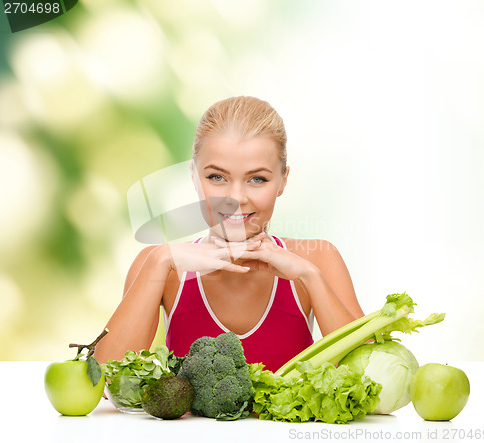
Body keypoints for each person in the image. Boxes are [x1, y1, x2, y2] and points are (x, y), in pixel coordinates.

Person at [94, 96, 364, 372]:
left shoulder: (318, 259)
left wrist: (310, 277)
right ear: (194, 176)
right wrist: (160, 259)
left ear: (283, 181)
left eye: (257, 179)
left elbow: (369, 375)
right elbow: (106, 377)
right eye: (217, 177)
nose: (235, 198)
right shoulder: (158, 264)